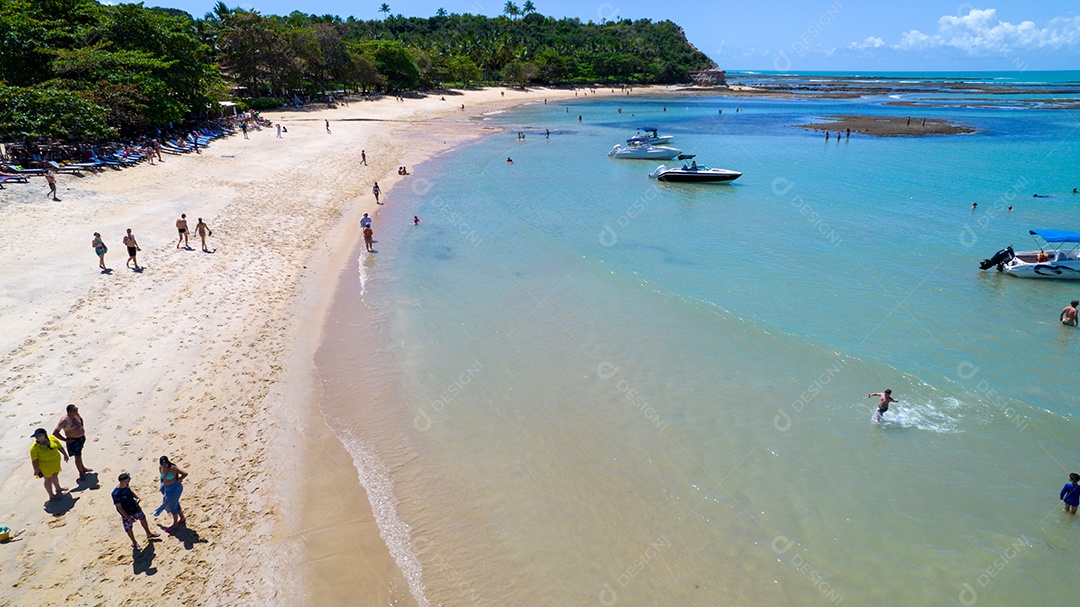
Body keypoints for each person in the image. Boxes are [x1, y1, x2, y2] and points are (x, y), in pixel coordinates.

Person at [113, 473, 159, 548]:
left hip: (134, 507)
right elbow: (119, 508)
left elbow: (130, 491)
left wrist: (137, 497)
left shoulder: (126, 485)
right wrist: (128, 517)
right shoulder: (116, 493)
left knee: (143, 519)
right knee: (128, 528)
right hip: (126, 512)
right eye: (129, 478)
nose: (130, 479)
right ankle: (134, 542)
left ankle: (149, 533)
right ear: (124, 481)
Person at [53, 404, 93, 481]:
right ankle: (81, 472)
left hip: (81, 439)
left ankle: (83, 468)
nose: (76, 411)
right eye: (74, 411)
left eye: (76, 410)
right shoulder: (64, 420)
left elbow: (81, 421)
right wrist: (65, 440)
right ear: (69, 411)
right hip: (73, 441)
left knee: (79, 454)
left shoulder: (76, 415)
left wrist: (81, 429)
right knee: (77, 456)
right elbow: (55, 432)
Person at [30, 428, 68, 500]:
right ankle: (51, 495)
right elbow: (34, 460)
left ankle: (58, 488)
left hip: (55, 462)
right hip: (45, 465)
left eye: (38, 436)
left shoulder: (52, 439)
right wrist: (36, 469)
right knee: (48, 479)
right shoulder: (34, 447)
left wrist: (65, 454)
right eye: (36, 436)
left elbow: (59, 447)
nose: (36, 438)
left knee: (55, 475)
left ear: (44, 435)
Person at [154, 455, 187, 532]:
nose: (164, 465)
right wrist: (162, 486)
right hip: (166, 488)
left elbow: (185, 473)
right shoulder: (161, 468)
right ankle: (182, 518)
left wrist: (179, 479)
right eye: (163, 464)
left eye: (165, 464)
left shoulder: (173, 468)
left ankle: (175, 524)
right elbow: (162, 478)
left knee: (172, 506)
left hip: (175, 488)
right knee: (175, 503)